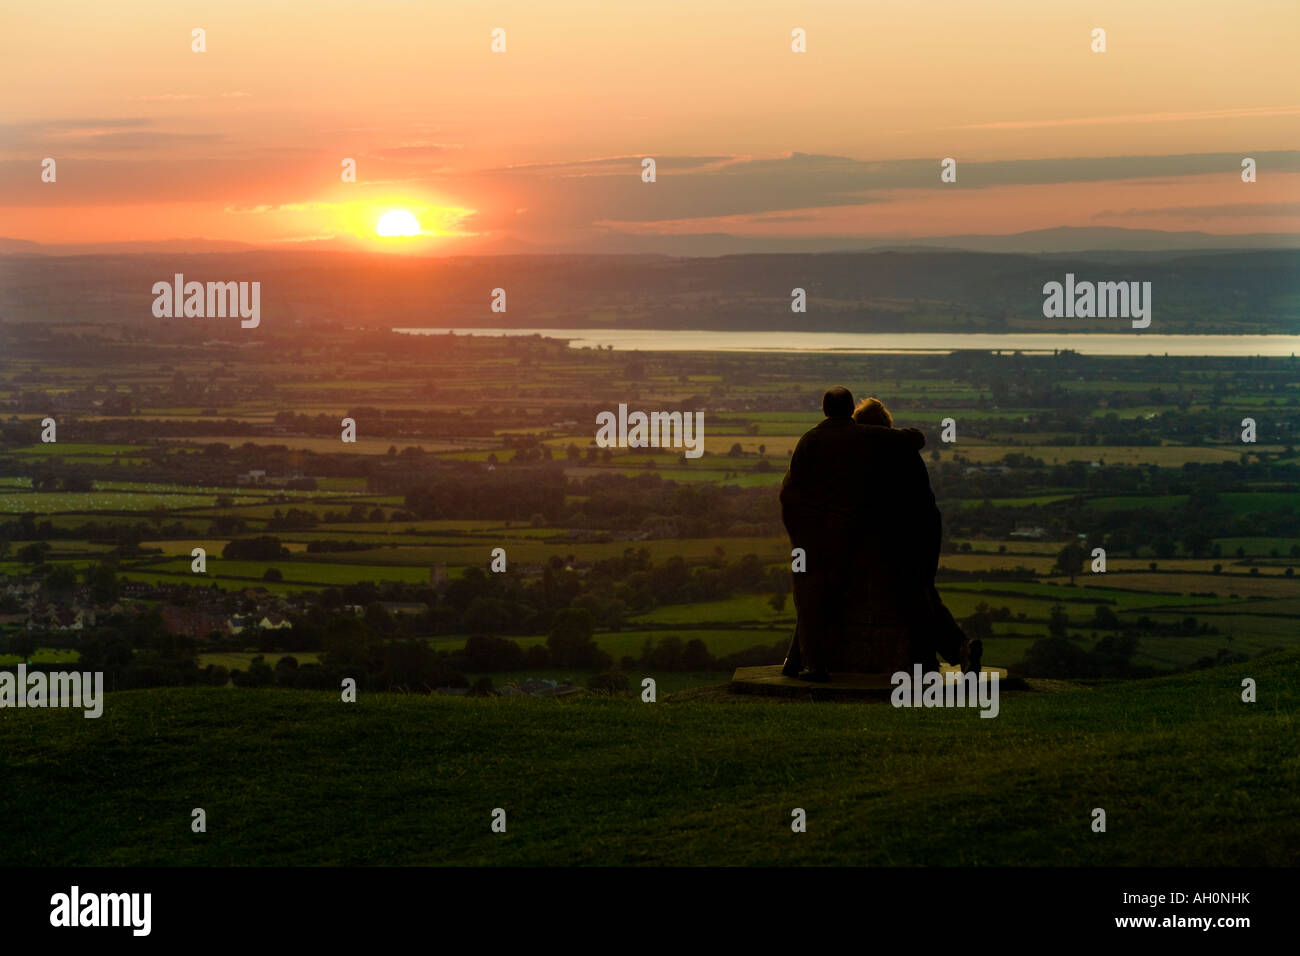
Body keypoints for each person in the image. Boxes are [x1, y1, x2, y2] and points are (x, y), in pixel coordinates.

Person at [779, 387, 924, 681]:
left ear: (824, 409)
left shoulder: (810, 440)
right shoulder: (866, 436)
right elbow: (915, 439)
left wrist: (800, 532)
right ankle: (804, 662)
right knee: (826, 594)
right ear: (849, 410)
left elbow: (790, 492)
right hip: (848, 535)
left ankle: (803, 662)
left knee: (808, 596)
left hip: (810, 536)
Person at [850, 396, 981, 674]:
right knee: (922, 590)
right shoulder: (903, 445)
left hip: (903, 530)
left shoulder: (876, 451)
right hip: (926, 526)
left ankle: (931, 658)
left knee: (913, 594)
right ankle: (956, 650)